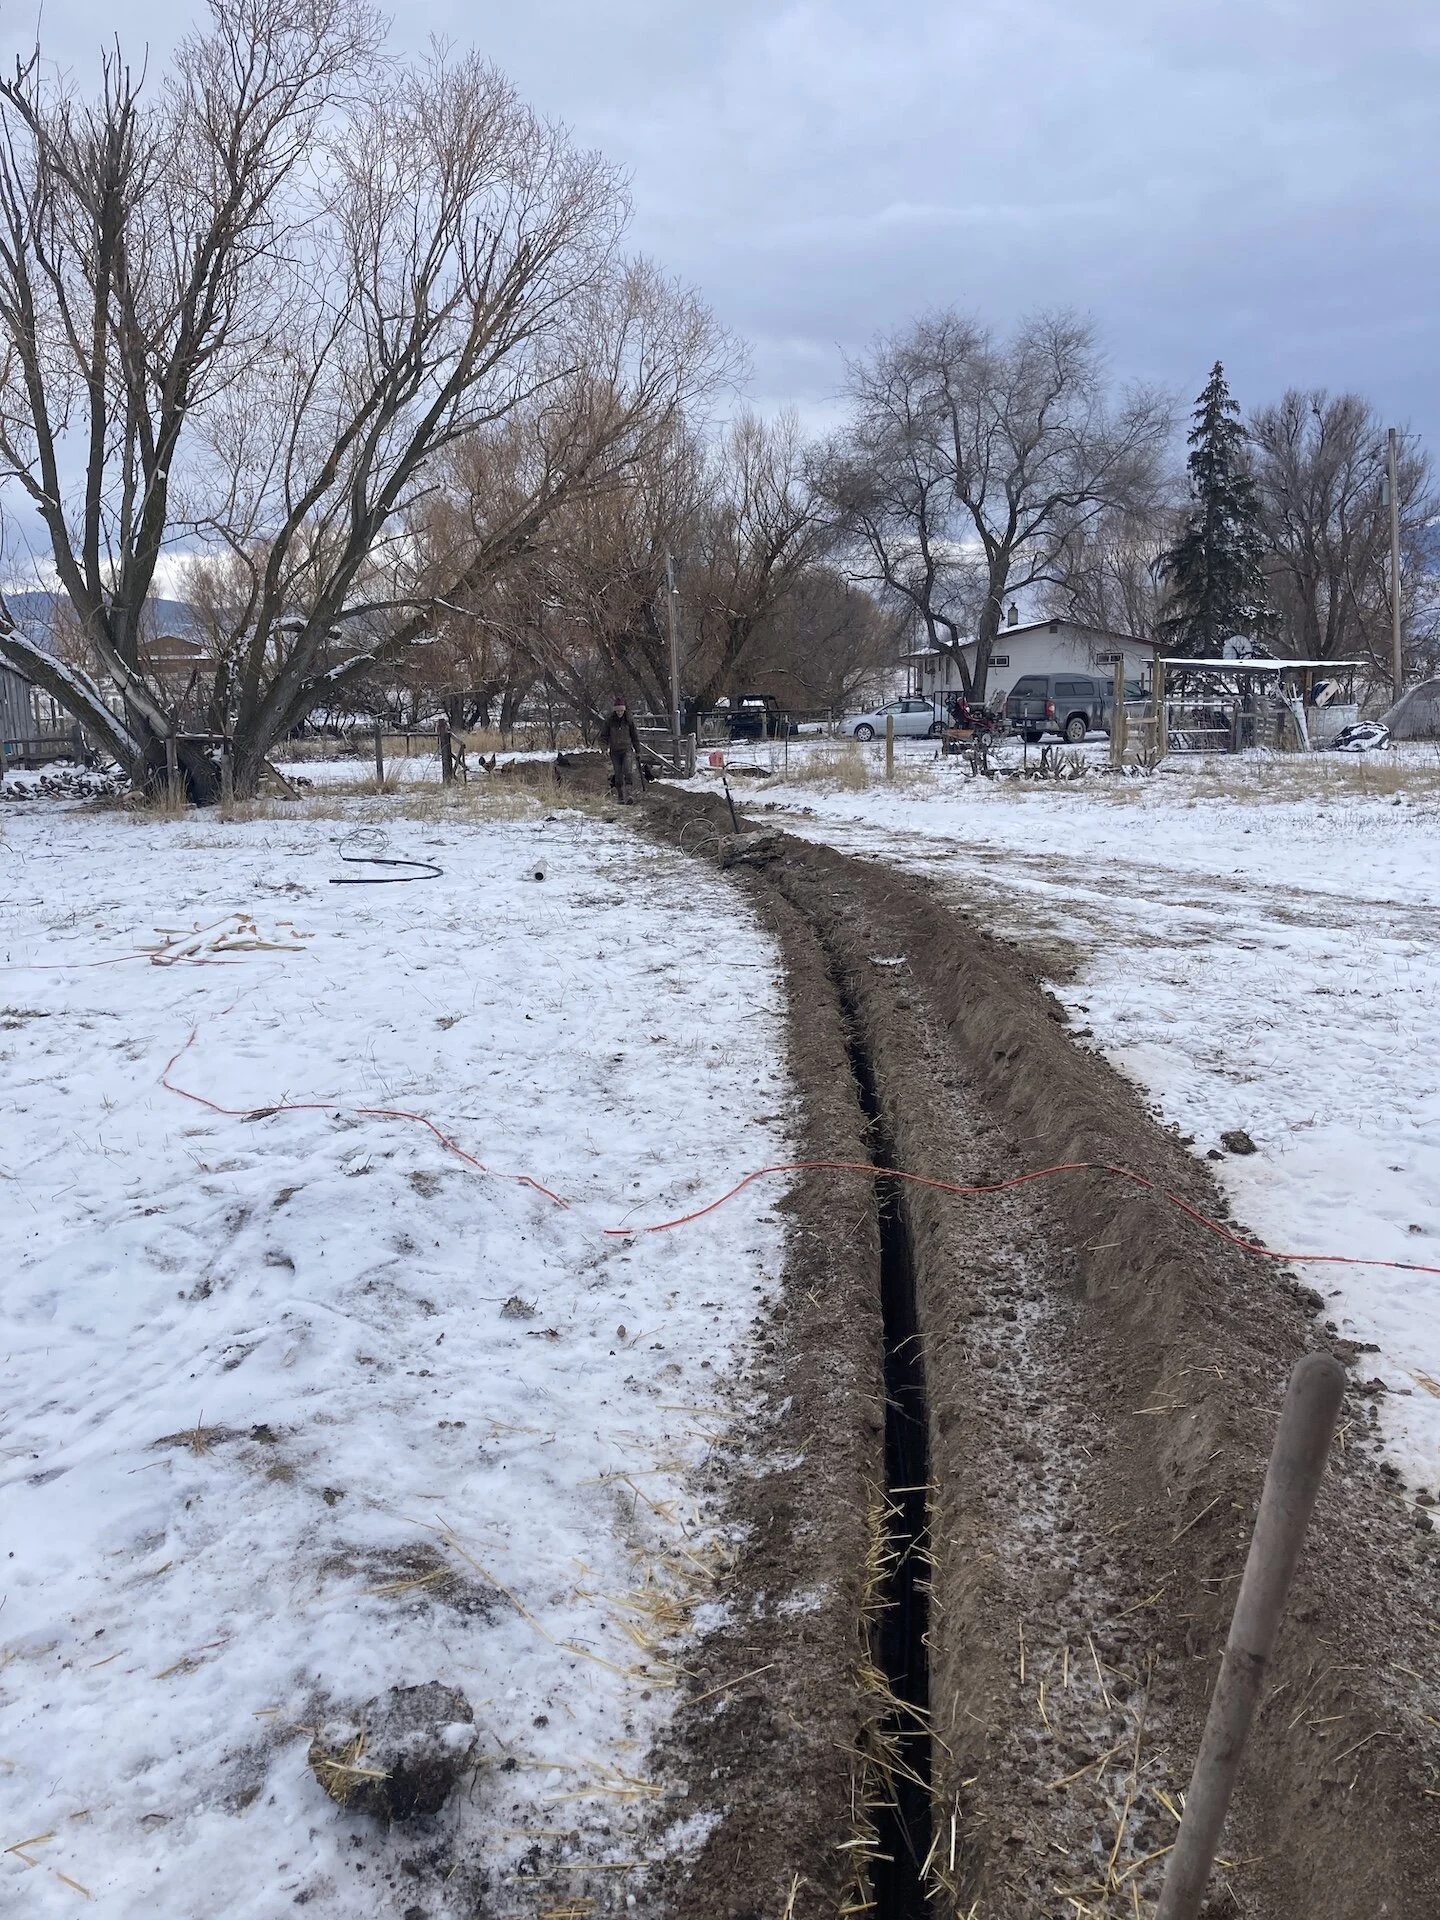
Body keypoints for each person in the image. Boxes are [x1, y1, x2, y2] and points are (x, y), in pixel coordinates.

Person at [601, 693, 642, 803]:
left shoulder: (629, 721)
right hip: (614, 751)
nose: (619, 712)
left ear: (624, 710)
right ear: (615, 711)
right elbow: (604, 736)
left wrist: (638, 750)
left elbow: (635, 736)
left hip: (626, 749)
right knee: (618, 774)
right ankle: (620, 797)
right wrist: (604, 748)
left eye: (621, 710)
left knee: (628, 771)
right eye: (618, 711)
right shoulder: (610, 721)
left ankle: (629, 794)